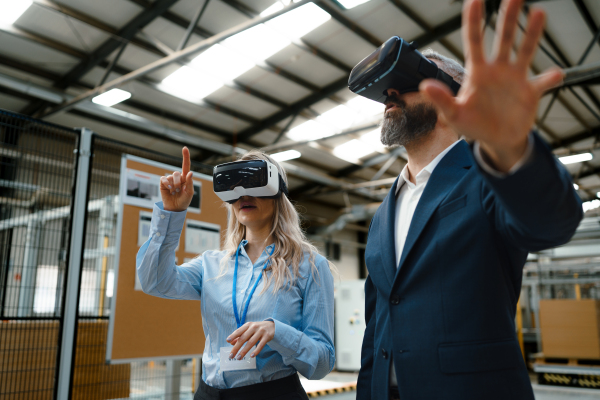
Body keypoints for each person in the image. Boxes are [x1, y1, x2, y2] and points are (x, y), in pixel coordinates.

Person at [356, 0, 583, 399]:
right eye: (386, 89)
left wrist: (512, 147)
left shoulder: (488, 181)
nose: (390, 93)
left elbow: (552, 223)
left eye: (408, 81)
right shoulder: (382, 215)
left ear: (457, 100)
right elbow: (377, 327)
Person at [136, 149, 335, 400]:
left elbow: (322, 363)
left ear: (277, 193)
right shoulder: (211, 264)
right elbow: (154, 281)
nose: (243, 194)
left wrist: (278, 332)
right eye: (234, 186)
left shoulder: (310, 267)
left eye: (253, 183)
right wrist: (172, 213)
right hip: (209, 394)